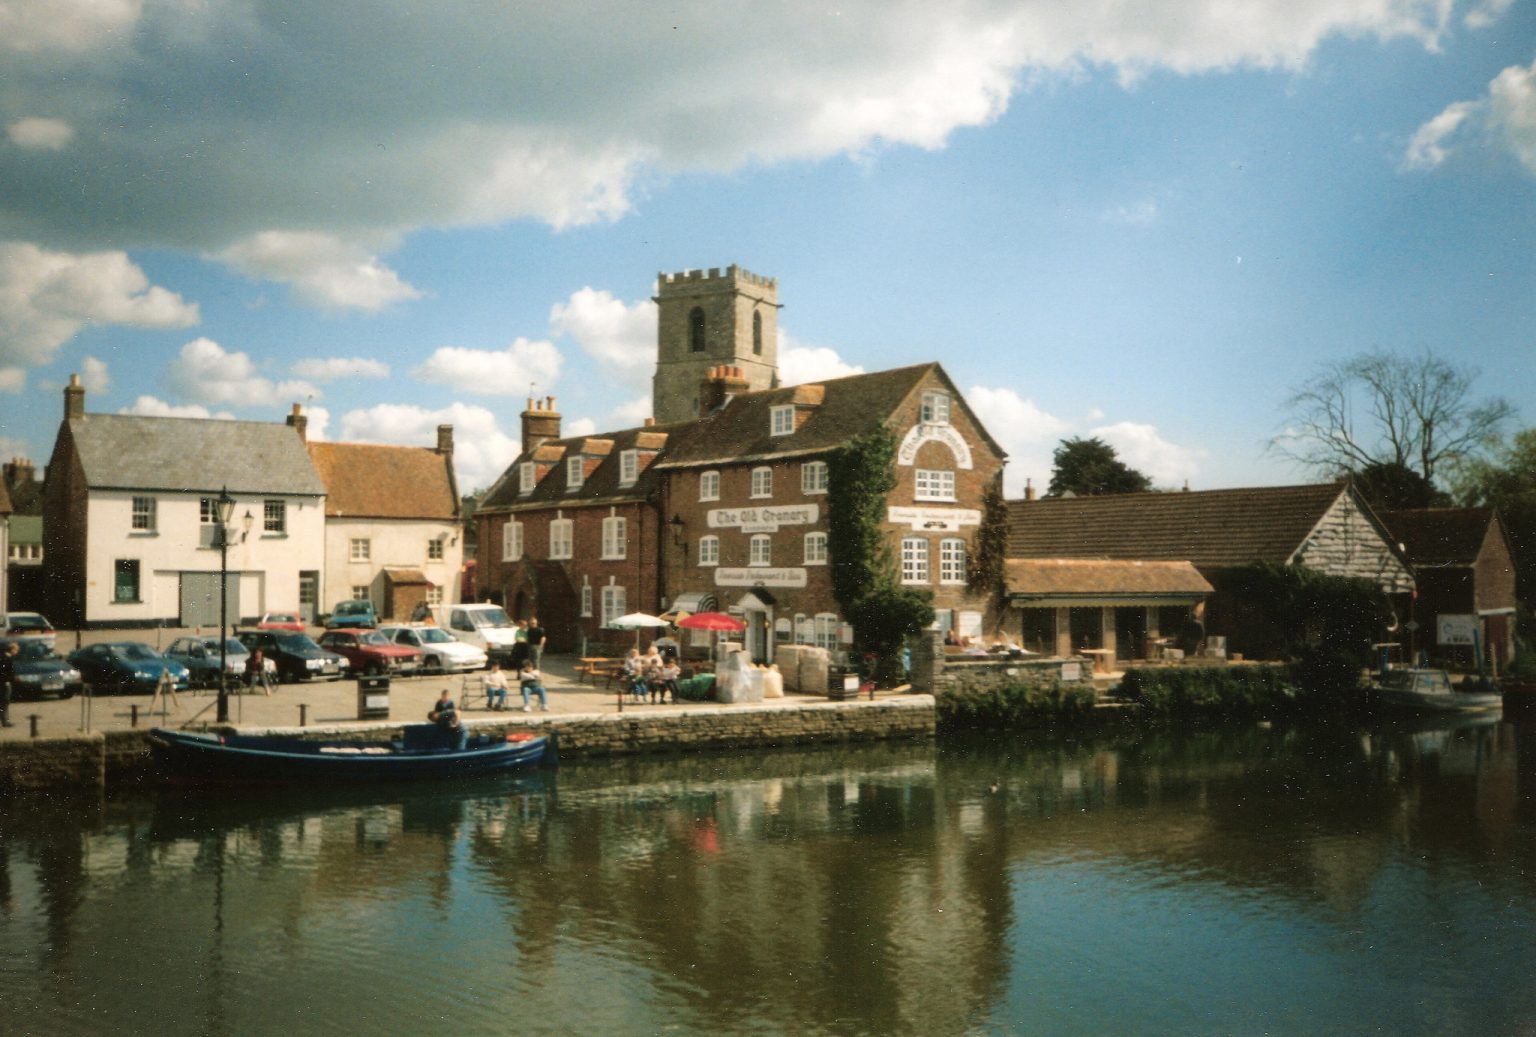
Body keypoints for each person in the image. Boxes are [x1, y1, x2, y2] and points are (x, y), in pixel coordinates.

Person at [0, 640, 16, 728]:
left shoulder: (4, 657)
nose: (16, 652)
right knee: (5, 702)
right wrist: (7, 680)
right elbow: (6, 672)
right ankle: (5, 721)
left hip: (5, 682)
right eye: (16, 650)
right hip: (5, 683)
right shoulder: (6, 659)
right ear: (12, 649)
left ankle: (5, 720)